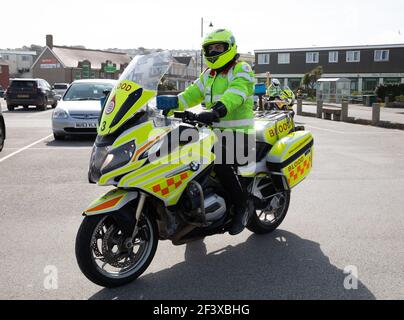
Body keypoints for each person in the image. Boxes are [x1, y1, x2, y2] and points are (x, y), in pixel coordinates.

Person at [173, 29, 256, 235]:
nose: (214, 51)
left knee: (218, 159)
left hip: (239, 134)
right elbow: (190, 95)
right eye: (210, 48)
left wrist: (217, 110)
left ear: (230, 47)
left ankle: (243, 204)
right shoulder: (208, 74)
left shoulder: (241, 69)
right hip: (212, 132)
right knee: (178, 149)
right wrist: (166, 105)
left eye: (218, 47)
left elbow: (236, 94)